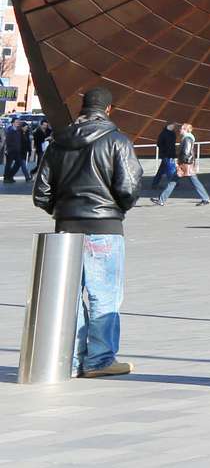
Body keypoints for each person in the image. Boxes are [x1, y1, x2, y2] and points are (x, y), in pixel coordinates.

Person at [31, 86, 142, 377]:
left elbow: (41, 193)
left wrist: (64, 211)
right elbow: (129, 186)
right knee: (104, 295)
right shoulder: (117, 141)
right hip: (104, 227)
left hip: (65, 229)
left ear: (82, 109)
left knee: (69, 295)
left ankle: (71, 359)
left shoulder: (58, 142)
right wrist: (117, 209)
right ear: (108, 110)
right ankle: (100, 359)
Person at [154, 123, 210, 205]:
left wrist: (179, 163)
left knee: (192, 181)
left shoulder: (187, 139)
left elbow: (186, 152)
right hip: (186, 164)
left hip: (185, 164)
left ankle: (206, 198)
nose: (180, 130)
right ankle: (161, 200)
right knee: (174, 181)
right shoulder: (187, 138)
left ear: (185, 130)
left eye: (181, 129)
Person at [150, 121, 179, 197]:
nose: (174, 127)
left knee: (161, 171)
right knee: (171, 170)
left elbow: (172, 145)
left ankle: (154, 184)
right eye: (173, 125)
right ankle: (173, 183)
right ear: (169, 125)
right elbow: (159, 143)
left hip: (170, 154)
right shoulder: (163, 134)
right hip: (166, 155)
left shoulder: (173, 133)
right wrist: (164, 150)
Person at [3, 117, 28, 182]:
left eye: (18, 122)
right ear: (13, 123)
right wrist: (9, 149)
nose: (18, 123)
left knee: (18, 163)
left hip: (17, 151)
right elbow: (8, 141)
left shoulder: (18, 130)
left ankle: (10, 176)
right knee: (8, 165)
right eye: (17, 122)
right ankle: (6, 178)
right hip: (11, 150)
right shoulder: (10, 130)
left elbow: (25, 128)